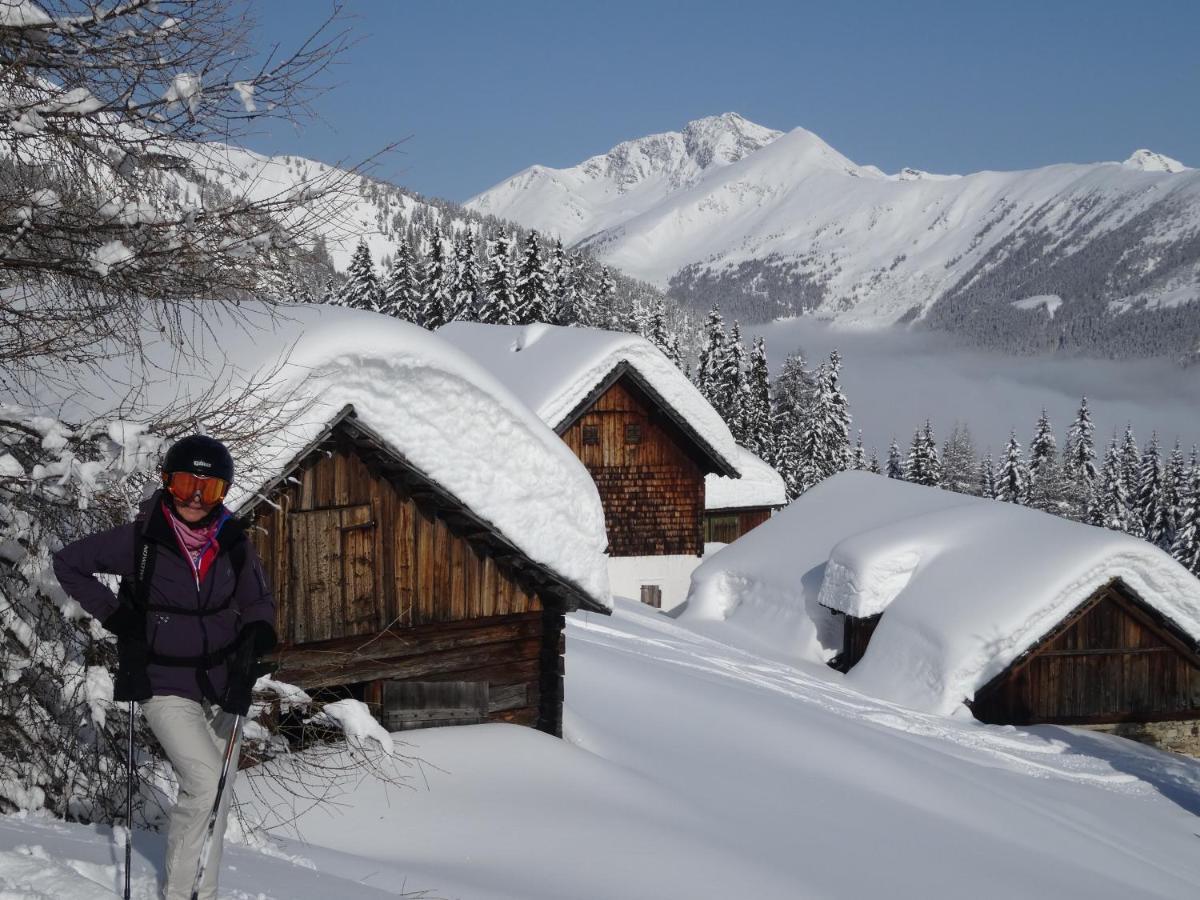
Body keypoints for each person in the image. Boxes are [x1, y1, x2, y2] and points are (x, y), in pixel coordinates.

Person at [53, 435, 277, 900]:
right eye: (184, 484)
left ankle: (203, 892)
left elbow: (257, 599)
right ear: (166, 483)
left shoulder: (232, 541)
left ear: (224, 492)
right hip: (163, 680)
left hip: (223, 682)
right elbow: (69, 563)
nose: (196, 497)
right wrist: (116, 615)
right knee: (204, 781)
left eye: (209, 488)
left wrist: (256, 636)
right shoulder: (141, 538)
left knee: (216, 794)